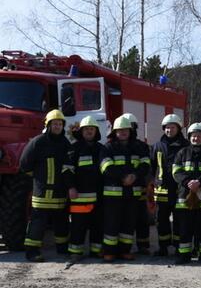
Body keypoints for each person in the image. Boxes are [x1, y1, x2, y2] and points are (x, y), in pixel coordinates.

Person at [21, 109, 71, 262]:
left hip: (59, 194)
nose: (57, 126)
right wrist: (38, 180)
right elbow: (25, 164)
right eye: (54, 124)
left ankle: (62, 248)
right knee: (38, 224)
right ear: (48, 125)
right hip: (42, 195)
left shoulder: (65, 143)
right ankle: (32, 251)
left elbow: (69, 166)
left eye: (60, 124)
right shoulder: (37, 142)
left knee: (62, 223)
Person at [100, 116, 149, 262]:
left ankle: (125, 251)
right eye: (119, 130)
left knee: (129, 223)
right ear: (114, 132)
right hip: (113, 194)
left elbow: (145, 164)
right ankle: (109, 252)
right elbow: (105, 167)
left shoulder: (139, 147)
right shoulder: (107, 147)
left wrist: (134, 176)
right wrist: (123, 177)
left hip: (132, 193)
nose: (122, 132)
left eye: (125, 130)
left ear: (130, 131)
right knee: (111, 223)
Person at [172, 123, 201, 265]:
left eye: (199, 136)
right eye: (193, 136)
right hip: (185, 199)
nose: (196, 138)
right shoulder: (182, 152)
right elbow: (176, 172)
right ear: (189, 137)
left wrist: (199, 182)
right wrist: (189, 183)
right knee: (184, 229)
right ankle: (184, 256)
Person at [63, 115, 104, 260]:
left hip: (98, 196)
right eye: (86, 129)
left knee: (97, 226)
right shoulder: (74, 149)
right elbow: (67, 170)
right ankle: (75, 252)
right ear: (82, 131)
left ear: (96, 131)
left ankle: (96, 251)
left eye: (92, 129)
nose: (89, 132)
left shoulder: (102, 149)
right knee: (78, 226)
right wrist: (71, 187)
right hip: (80, 196)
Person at [151, 113, 188, 256]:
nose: (169, 130)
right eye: (166, 127)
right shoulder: (157, 146)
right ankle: (163, 247)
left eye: (172, 127)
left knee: (180, 220)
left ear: (178, 128)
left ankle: (180, 247)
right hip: (162, 190)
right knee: (161, 220)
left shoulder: (186, 146)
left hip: (180, 190)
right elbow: (152, 167)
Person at [121, 113, 153, 255]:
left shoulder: (142, 146)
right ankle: (124, 247)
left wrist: (147, 185)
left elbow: (147, 167)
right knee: (124, 219)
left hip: (139, 188)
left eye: (131, 127)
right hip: (123, 190)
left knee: (142, 218)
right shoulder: (114, 145)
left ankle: (143, 245)